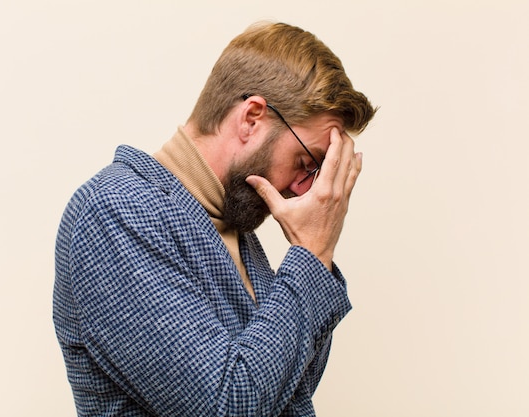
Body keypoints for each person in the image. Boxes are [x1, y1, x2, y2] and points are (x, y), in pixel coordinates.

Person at [53, 21, 376, 417]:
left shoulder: (234, 225)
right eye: (306, 162)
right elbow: (228, 406)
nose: (305, 190)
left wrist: (315, 259)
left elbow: (291, 394)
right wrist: (312, 252)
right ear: (252, 118)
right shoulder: (116, 211)